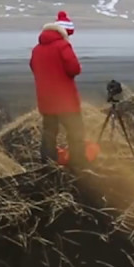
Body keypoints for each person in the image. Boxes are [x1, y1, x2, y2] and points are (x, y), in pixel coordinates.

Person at [29, 10, 86, 169]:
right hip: (66, 101)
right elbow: (74, 69)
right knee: (75, 132)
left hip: (46, 100)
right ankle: (78, 164)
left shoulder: (36, 49)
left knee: (49, 133)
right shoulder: (63, 46)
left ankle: (47, 164)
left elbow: (34, 68)